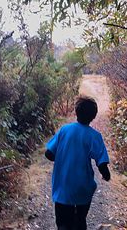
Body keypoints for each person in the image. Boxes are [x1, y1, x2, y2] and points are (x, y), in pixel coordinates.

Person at [45, 96, 111, 230]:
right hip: (83, 188)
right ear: (93, 116)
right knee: (80, 220)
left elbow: (49, 154)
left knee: (63, 223)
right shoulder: (94, 136)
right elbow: (102, 163)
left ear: (76, 112)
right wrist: (106, 175)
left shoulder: (64, 130)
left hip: (63, 187)